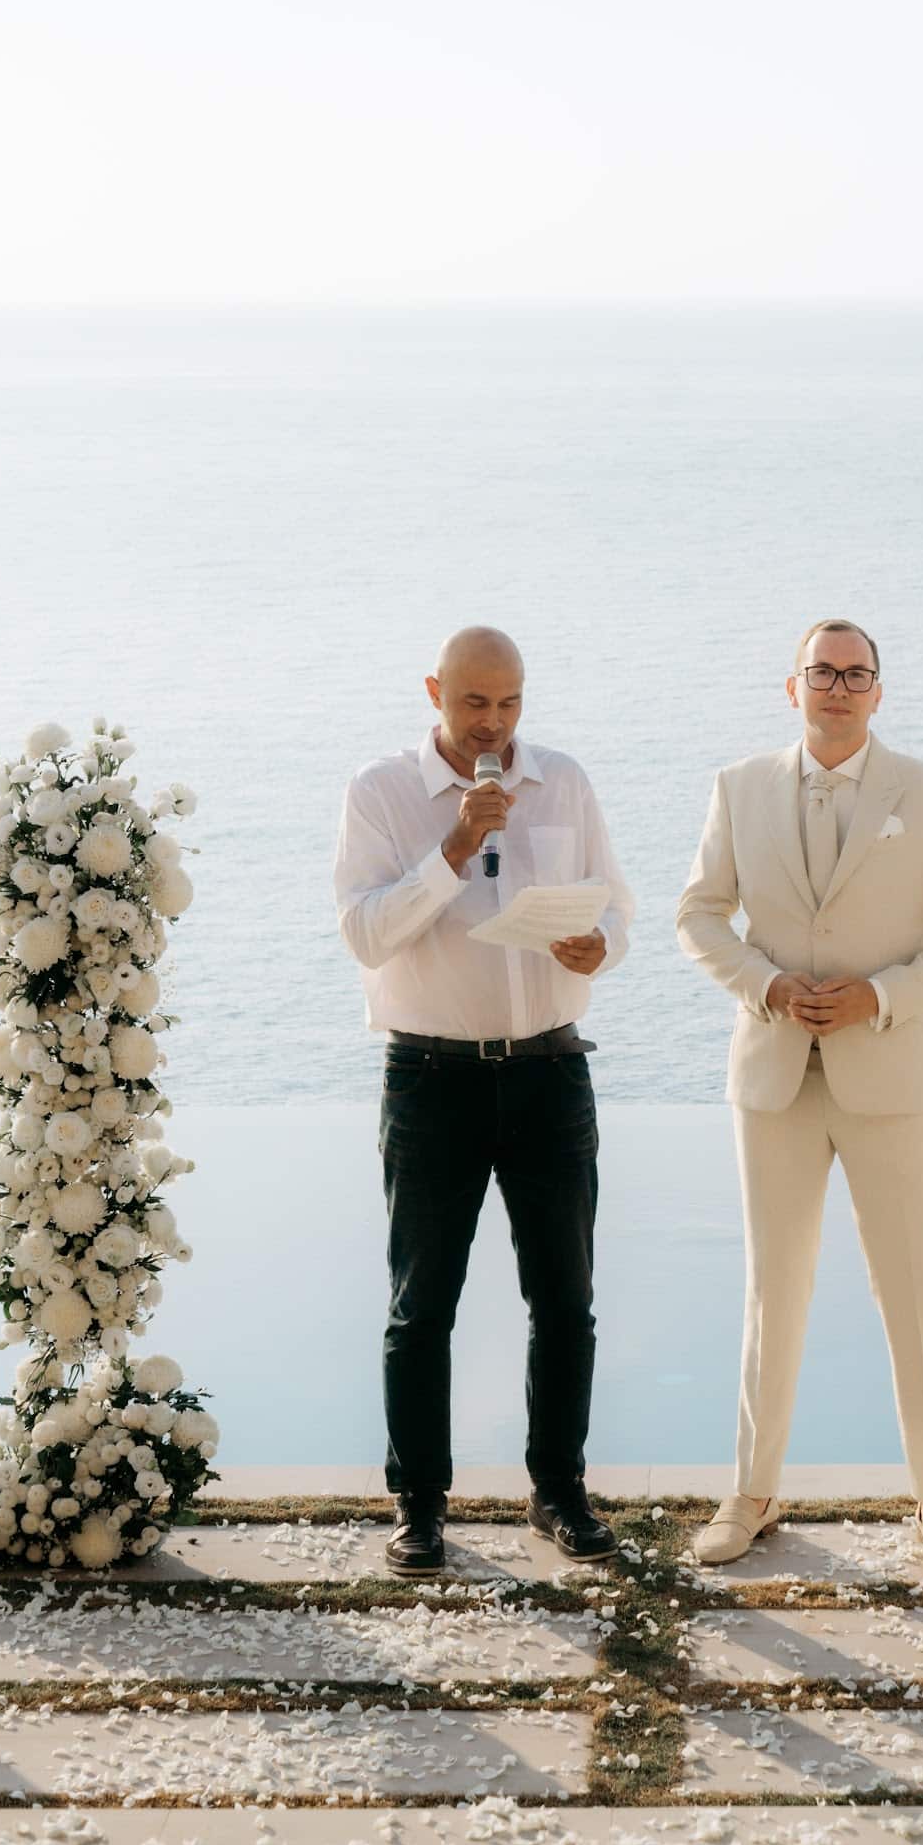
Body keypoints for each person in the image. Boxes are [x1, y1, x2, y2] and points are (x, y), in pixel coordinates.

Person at [677, 618, 923, 1575]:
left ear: (877, 692)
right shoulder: (738, 788)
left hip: (892, 1078)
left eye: (854, 673)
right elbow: (699, 912)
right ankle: (750, 1494)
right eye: (819, 672)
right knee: (771, 1292)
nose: (836, 686)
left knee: (913, 1292)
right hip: (773, 1074)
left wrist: (886, 995)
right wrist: (765, 984)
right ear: (791, 688)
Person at [334, 626, 633, 1576]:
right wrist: (456, 845)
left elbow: (616, 905)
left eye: (509, 703)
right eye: (473, 704)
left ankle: (559, 1493)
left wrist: (602, 947)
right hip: (429, 1078)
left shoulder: (566, 782)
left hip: (550, 1069)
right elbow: (366, 935)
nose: (493, 725)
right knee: (421, 1306)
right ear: (434, 691)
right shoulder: (379, 793)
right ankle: (419, 1507)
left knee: (565, 1299)